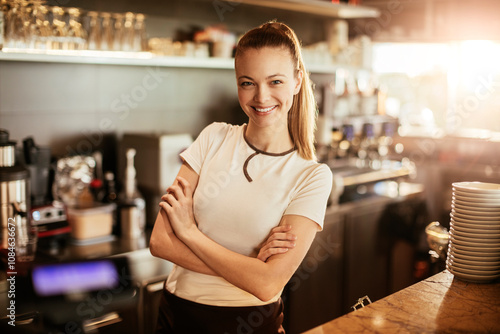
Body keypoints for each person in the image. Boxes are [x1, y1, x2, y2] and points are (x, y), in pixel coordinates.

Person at [149, 20, 333, 334]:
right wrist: (251, 266)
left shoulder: (311, 176)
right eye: (247, 83)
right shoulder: (212, 138)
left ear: (297, 81)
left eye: (275, 81)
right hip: (177, 316)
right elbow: (160, 242)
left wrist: (190, 233)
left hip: (249, 323)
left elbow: (267, 284)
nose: (261, 97)